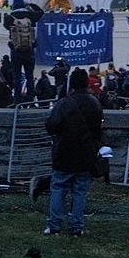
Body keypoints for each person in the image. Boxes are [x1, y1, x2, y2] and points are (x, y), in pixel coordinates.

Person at [43, 67, 103, 236]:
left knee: (58, 188)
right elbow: (99, 129)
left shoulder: (64, 103)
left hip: (64, 152)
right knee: (80, 191)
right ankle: (77, 226)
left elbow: (50, 125)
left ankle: (54, 225)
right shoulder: (94, 103)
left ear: (71, 85)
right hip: (86, 154)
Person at [3, 0, 43, 105]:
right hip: (29, 50)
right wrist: (30, 4)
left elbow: (6, 26)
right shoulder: (30, 16)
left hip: (16, 51)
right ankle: (30, 100)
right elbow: (41, 12)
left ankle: (17, 101)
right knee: (29, 76)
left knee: (17, 76)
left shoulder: (9, 18)